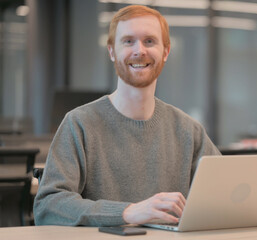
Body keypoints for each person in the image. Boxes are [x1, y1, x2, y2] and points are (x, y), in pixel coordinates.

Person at [33, 5, 220, 226]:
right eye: (128, 41)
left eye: (149, 41)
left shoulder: (189, 130)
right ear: (112, 51)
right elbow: (48, 205)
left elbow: (226, 190)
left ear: (166, 51)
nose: (139, 50)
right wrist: (128, 212)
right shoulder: (79, 124)